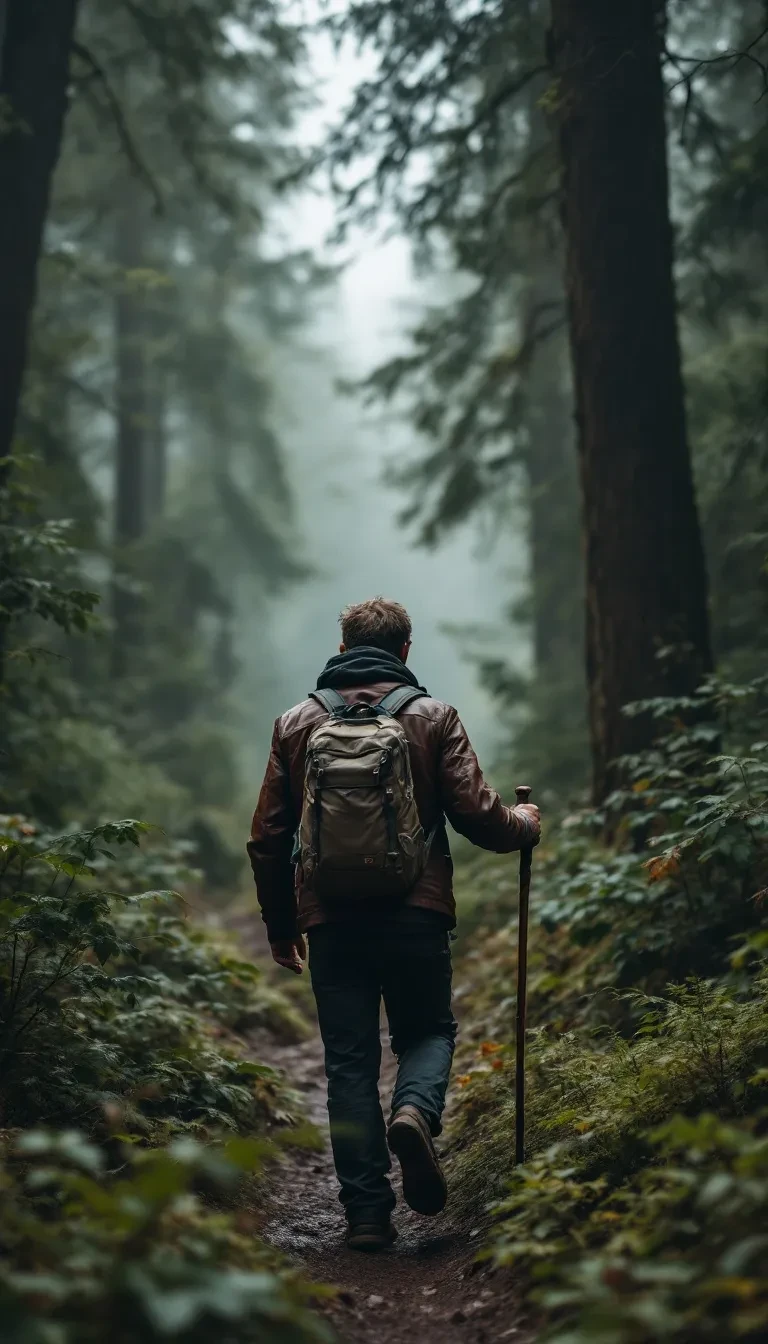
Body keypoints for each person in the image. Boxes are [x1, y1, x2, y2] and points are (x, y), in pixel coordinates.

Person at [247, 597, 541, 1252]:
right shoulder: (432, 717)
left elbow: (268, 837)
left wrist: (280, 924)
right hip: (417, 909)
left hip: (329, 917)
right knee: (428, 1030)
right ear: (405, 650)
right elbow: (476, 815)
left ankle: (367, 1216)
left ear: (344, 646)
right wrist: (523, 826)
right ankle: (414, 1112)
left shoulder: (297, 722)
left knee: (349, 1060)